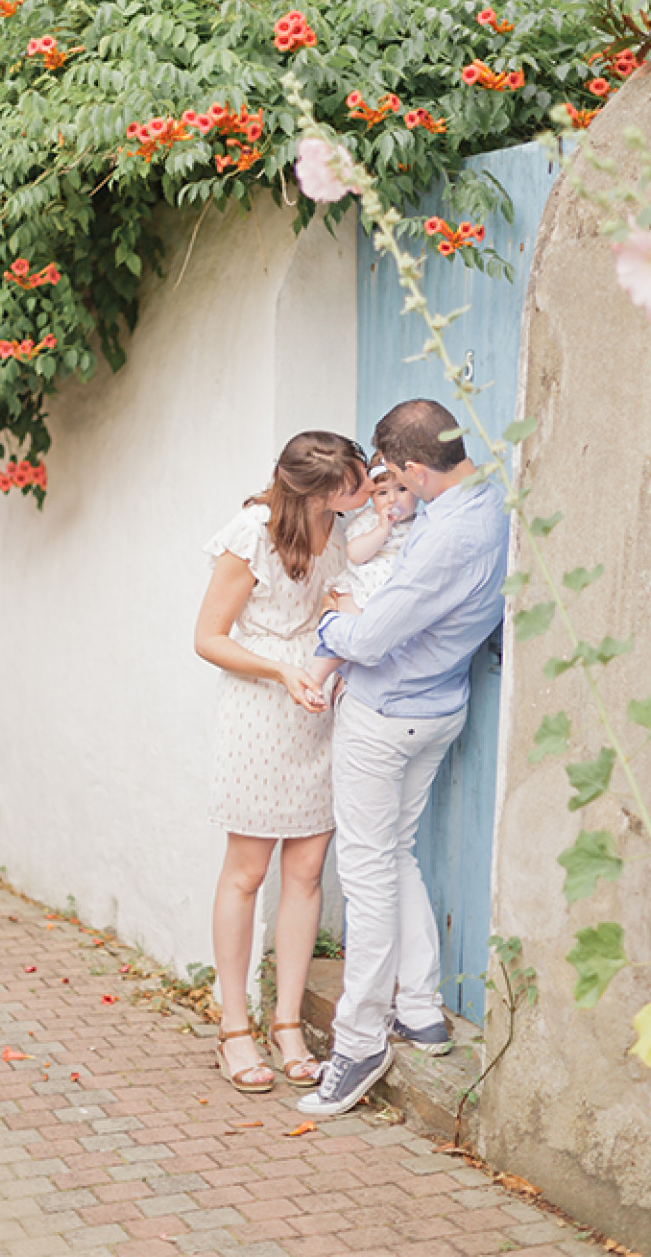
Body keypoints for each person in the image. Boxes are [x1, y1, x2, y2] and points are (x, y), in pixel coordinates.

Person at [296, 398, 510, 1117]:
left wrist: (332, 623)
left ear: (419, 466)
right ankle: (419, 1006)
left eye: (398, 473)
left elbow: (374, 635)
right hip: (442, 708)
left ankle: (358, 1042)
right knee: (396, 854)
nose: (397, 484)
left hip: (387, 716)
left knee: (366, 874)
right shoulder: (490, 504)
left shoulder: (449, 535)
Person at [194, 430, 371, 1093]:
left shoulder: (343, 526)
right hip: (260, 713)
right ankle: (234, 1026)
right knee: (247, 872)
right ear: (316, 490)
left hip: (317, 714)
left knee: (305, 871)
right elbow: (207, 637)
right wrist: (280, 670)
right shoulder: (253, 532)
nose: (360, 490)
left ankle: (287, 1022)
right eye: (350, 482)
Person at [307, 465, 420, 697]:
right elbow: (356, 555)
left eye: (402, 489)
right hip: (362, 589)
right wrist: (382, 528)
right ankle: (315, 679)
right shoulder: (368, 521)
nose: (392, 499)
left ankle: (350, 684)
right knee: (346, 634)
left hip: (391, 594)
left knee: (382, 645)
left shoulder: (421, 525)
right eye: (382, 493)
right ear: (371, 497)